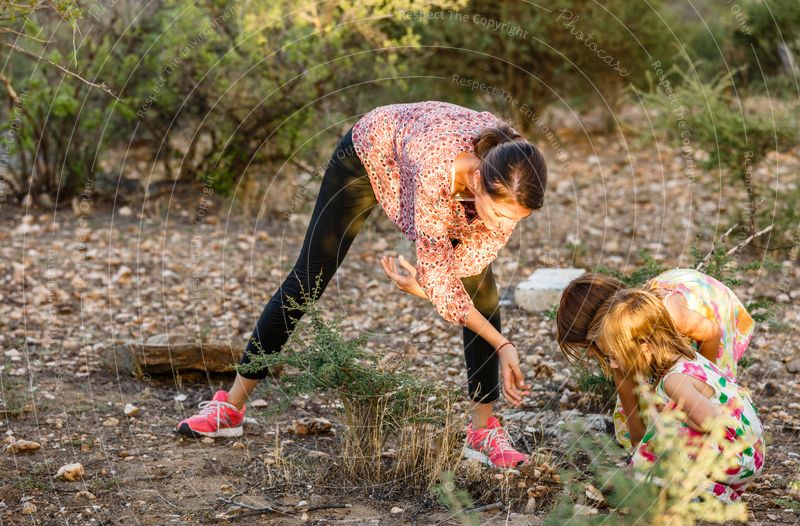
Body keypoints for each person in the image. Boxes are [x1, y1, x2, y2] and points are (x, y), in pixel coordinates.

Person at [176, 101, 548, 469]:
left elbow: (458, 274)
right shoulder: (437, 168)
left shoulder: (514, 173)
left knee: (481, 291)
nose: (503, 226)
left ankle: (483, 432)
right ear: (479, 181)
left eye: (516, 218)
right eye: (499, 215)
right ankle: (230, 407)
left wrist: (432, 288)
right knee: (309, 277)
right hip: (371, 152)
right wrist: (501, 343)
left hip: (433, 166)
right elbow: (440, 278)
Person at [588, 289, 765, 503]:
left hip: (739, 455)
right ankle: (704, 490)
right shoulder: (687, 358)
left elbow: (710, 421)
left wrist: (673, 414)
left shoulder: (674, 380)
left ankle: (661, 487)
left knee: (662, 436)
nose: (613, 365)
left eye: (614, 357)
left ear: (644, 348)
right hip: (743, 449)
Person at [556, 268, 754, 449]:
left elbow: (710, 333)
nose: (591, 353)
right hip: (661, 330)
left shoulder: (672, 314)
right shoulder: (617, 336)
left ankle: (725, 445)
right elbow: (625, 385)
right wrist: (637, 443)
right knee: (655, 397)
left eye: (590, 344)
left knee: (696, 397)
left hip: (710, 309)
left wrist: (699, 376)